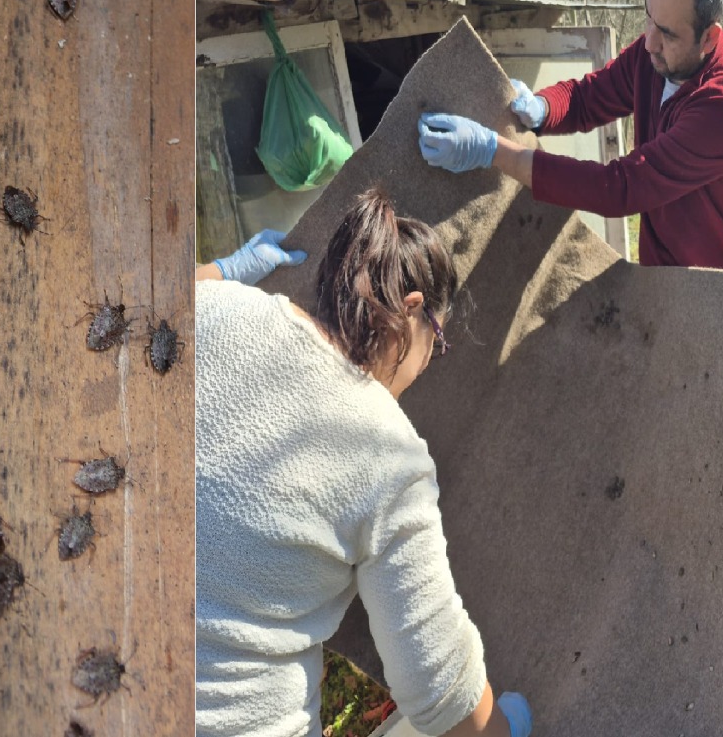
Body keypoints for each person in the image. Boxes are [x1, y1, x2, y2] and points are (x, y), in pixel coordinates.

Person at [196, 191, 532, 737]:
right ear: (414, 310)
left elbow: (156, 292)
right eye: (437, 344)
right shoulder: (390, 457)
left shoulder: (221, 305)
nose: (426, 364)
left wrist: (223, 269)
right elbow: (446, 695)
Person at [417, 0, 723, 268]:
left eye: (668, 34)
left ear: (709, 39)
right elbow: (588, 97)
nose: (649, 42)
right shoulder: (650, 56)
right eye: (648, 17)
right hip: (660, 273)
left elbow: (620, 188)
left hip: (713, 287)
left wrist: (493, 150)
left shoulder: (720, 107)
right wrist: (543, 107)